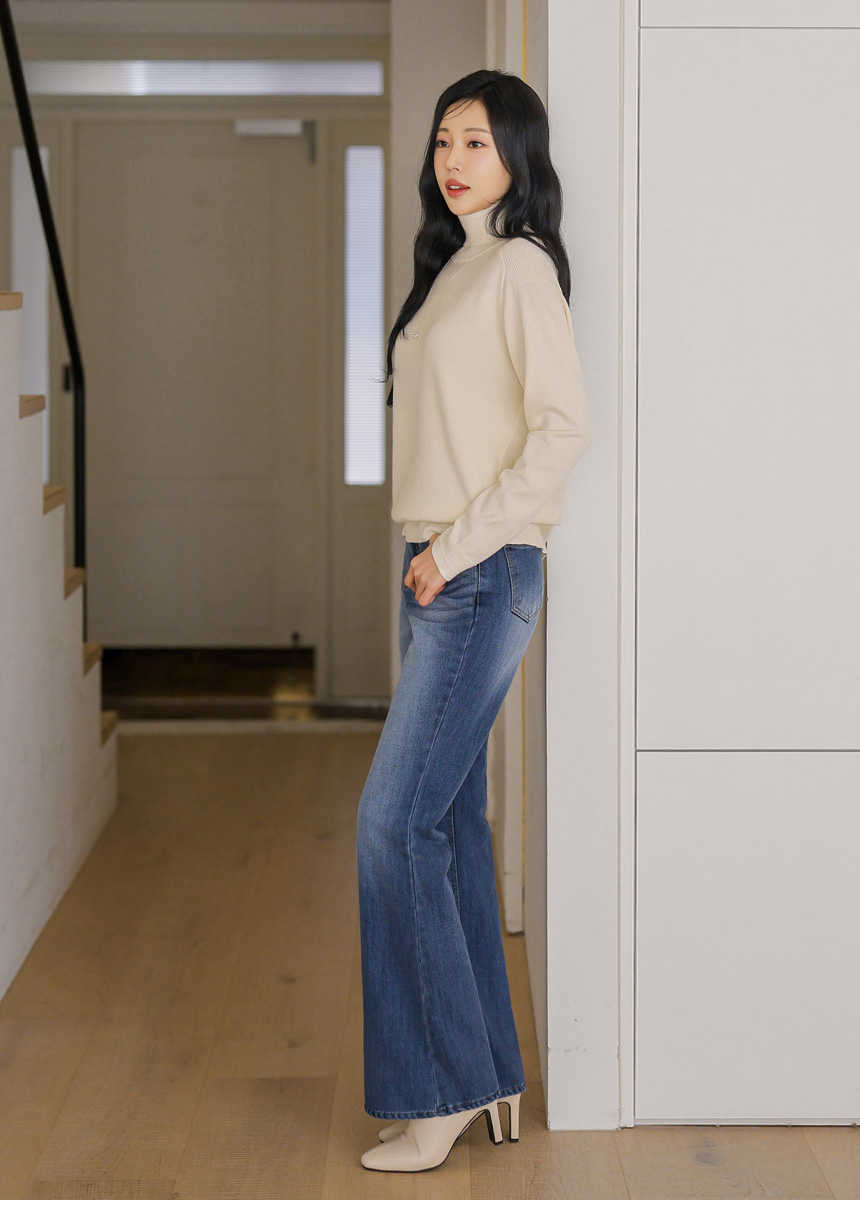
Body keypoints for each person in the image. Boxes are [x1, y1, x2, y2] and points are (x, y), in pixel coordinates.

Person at [356, 68, 594, 1173]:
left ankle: (438, 1092)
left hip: (478, 572)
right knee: (445, 827)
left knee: (391, 824)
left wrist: (450, 551)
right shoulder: (454, 265)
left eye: (479, 143)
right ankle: (486, 1074)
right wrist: (430, 554)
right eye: (445, 139)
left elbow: (562, 430)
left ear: (517, 160)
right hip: (437, 568)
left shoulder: (520, 267)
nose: (453, 159)